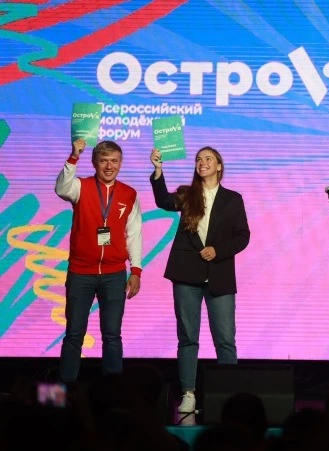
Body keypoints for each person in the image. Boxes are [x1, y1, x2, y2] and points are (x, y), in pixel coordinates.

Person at [150, 146, 251, 414]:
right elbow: (163, 200)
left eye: (208, 159)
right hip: (186, 273)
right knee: (188, 337)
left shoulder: (233, 199)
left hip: (220, 274)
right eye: (198, 159)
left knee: (225, 339)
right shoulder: (187, 194)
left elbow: (243, 236)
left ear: (219, 166)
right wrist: (158, 170)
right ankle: (188, 393)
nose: (202, 162)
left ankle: (228, 396)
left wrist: (218, 250)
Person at [55, 138, 142, 383]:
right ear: (95, 163)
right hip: (81, 273)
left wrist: (136, 270)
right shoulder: (80, 186)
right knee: (74, 334)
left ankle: (112, 391)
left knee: (112, 335)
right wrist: (74, 157)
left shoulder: (129, 193)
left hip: (114, 274)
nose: (109, 166)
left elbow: (134, 233)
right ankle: (65, 391)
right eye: (104, 161)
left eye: (114, 161)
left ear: (120, 163)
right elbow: (61, 188)